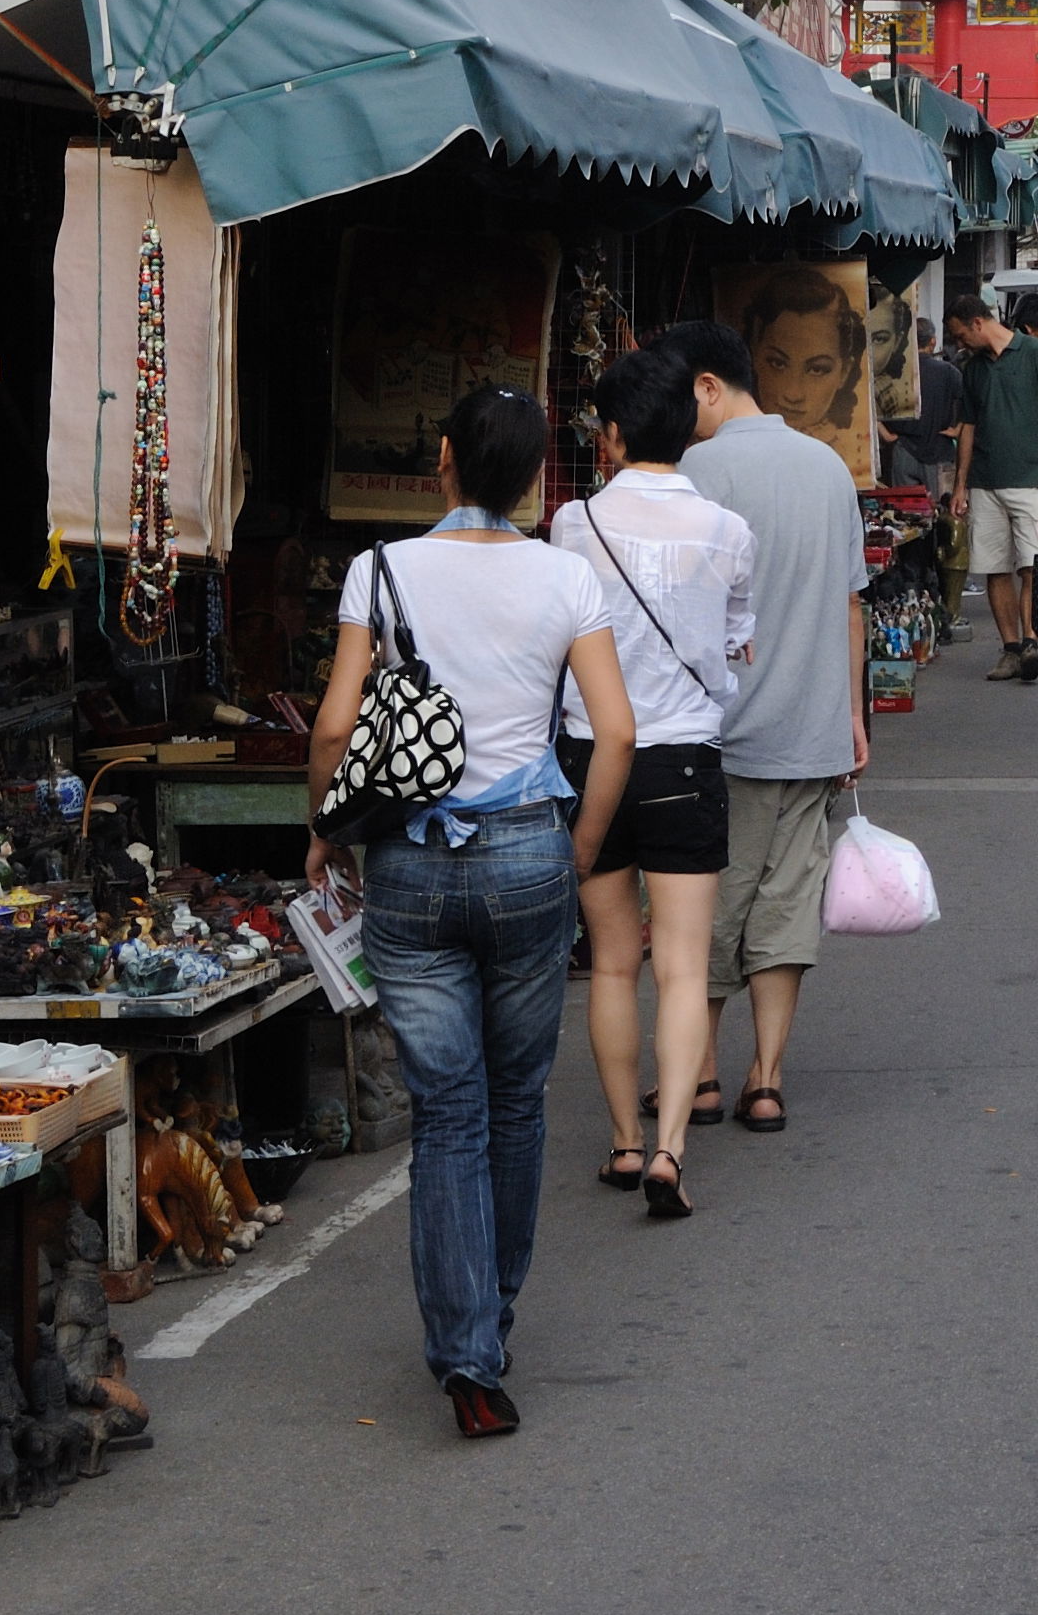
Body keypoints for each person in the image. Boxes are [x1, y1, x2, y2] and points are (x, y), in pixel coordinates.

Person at [305, 385, 633, 1439]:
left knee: (447, 1111)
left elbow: (333, 727)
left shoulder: (380, 570)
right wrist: (574, 851)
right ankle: (491, 1317)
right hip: (531, 851)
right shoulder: (565, 576)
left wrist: (324, 826)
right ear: (536, 476)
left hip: (408, 858)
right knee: (517, 1100)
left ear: (441, 459)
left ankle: (467, 1359)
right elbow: (613, 733)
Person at [553, 349, 757, 1222]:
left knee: (611, 963)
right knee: (681, 968)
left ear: (611, 434)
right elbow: (737, 639)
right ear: (690, 426)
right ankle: (671, 1147)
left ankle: (622, 1141)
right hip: (683, 759)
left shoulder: (570, 524)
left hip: (589, 755)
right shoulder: (728, 530)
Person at [650, 318, 866, 1133]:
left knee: (703, 907)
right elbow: (851, 603)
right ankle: (765, 1079)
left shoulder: (690, 473)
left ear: (707, 386)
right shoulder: (825, 465)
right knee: (785, 910)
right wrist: (852, 715)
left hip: (717, 737)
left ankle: (698, 1077)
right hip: (812, 730)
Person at [947, 290, 1038, 683]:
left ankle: (1029, 642)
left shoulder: (1035, 354)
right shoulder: (973, 369)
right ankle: (1011, 648)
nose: (960, 344)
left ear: (978, 323)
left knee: (1030, 566)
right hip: (985, 480)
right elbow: (968, 428)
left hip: (1030, 477)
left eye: (961, 335)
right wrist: (960, 485)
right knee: (994, 567)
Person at [739, 266, 868, 462]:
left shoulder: (846, 461)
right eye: (778, 363)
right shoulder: (731, 451)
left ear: (844, 372)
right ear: (754, 354)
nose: (793, 394)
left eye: (817, 369)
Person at [900, 321, 970, 642]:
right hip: (940, 455)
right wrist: (955, 429)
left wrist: (888, 435)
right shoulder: (949, 373)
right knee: (946, 524)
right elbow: (967, 407)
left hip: (904, 450)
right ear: (933, 342)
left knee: (904, 521)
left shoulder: (899, 372)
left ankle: (911, 581)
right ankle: (945, 597)